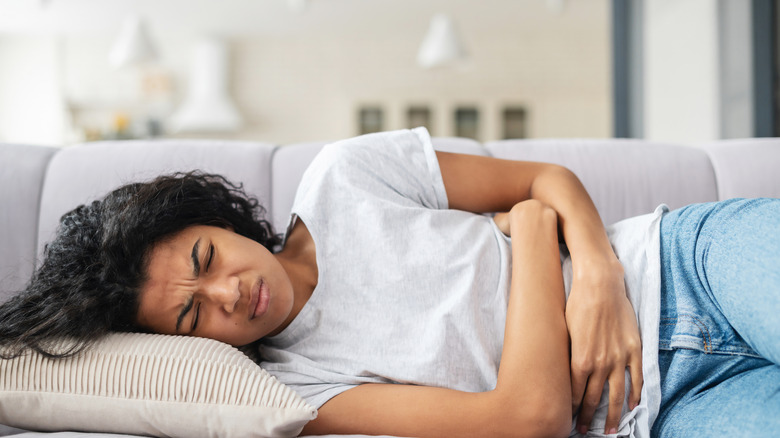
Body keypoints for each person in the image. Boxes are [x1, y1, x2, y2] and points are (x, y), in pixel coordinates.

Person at [0, 128, 777, 438]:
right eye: (191, 319)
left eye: (204, 261)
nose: (229, 295)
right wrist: (538, 236)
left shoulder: (346, 176)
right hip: (658, 411)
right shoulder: (304, 390)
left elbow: (546, 176)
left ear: (219, 220)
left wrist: (600, 274)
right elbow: (529, 416)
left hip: (682, 260)